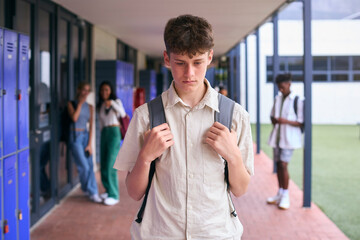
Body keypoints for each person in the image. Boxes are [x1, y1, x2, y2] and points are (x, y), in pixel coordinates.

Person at [114, 14, 254, 239]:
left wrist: (233, 157)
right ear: (167, 59)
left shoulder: (235, 116)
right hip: (160, 234)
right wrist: (145, 158)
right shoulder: (145, 117)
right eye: (180, 63)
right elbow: (133, 192)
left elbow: (240, 189)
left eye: (197, 62)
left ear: (209, 57)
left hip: (216, 234)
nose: (189, 73)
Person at [267, 73, 304, 210]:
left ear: (289, 84)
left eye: (282, 87)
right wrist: (274, 119)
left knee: (283, 164)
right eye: (279, 88)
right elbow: (272, 115)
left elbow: (301, 122)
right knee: (278, 164)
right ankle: (280, 193)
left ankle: (286, 195)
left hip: (289, 138)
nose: (281, 90)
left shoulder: (298, 100)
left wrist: (284, 121)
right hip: (277, 137)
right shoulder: (277, 98)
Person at [68, 82, 102, 203]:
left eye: (88, 90)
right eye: (84, 90)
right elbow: (74, 118)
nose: (85, 93)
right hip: (75, 137)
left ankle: (90, 190)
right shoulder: (71, 104)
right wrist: (80, 104)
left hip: (85, 136)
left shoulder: (90, 107)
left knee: (90, 166)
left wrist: (89, 144)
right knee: (84, 166)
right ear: (78, 90)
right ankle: (92, 191)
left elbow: (91, 126)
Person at [97, 81, 126, 206]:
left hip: (114, 132)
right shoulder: (101, 105)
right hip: (104, 133)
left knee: (111, 164)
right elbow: (101, 122)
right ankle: (108, 190)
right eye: (102, 90)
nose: (104, 92)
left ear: (111, 91)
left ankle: (114, 195)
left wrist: (112, 103)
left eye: (107, 90)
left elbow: (123, 114)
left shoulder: (116, 102)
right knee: (103, 163)